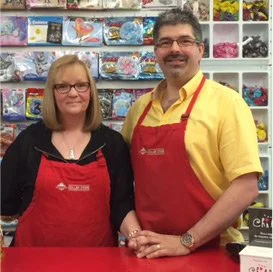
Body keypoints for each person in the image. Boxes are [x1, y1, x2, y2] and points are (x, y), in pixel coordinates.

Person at [121, 8, 263, 258]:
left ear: (201, 50)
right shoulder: (139, 110)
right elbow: (121, 181)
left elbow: (246, 187)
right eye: (165, 43)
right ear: (156, 53)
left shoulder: (227, 103)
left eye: (185, 41)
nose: (175, 49)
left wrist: (186, 241)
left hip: (211, 251)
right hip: (150, 251)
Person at [1, 55, 141, 247]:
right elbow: (6, 201)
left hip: (97, 261)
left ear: (90, 91)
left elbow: (121, 205)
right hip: (33, 259)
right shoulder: (29, 141)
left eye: (81, 85)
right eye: (63, 86)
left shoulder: (112, 144)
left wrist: (136, 236)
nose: (73, 93)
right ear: (52, 92)